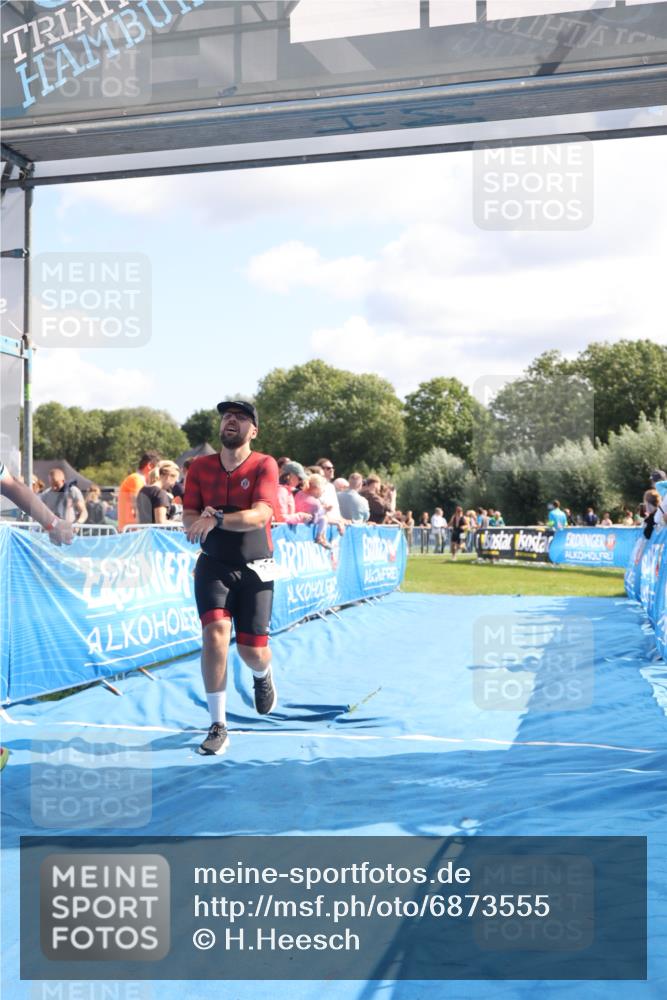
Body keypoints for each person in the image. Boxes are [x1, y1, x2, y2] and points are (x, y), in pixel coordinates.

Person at [183, 401, 279, 756]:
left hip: (256, 565)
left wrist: (218, 518)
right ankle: (218, 724)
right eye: (226, 416)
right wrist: (199, 521)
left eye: (240, 417)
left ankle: (262, 674)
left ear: (253, 430)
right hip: (214, 564)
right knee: (215, 634)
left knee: (251, 650)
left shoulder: (264, 464)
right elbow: (190, 516)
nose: (231, 421)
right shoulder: (199, 467)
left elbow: (261, 515)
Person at [0, 460, 74, 545]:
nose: (54, 487)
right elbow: (10, 485)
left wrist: (53, 523)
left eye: (56, 484)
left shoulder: (73, 491)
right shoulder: (47, 493)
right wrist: (53, 523)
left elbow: (10, 485)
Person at [118, 451, 161, 531]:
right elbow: (137, 505)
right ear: (150, 466)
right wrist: (139, 528)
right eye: (157, 469)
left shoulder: (138, 479)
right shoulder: (136, 479)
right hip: (131, 529)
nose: (158, 473)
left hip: (131, 528)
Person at [294, 473, 331, 547]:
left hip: (295, 520)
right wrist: (324, 510)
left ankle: (322, 537)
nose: (323, 492)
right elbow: (314, 519)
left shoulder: (299, 493)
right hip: (303, 524)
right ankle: (319, 537)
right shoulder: (314, 502)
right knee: (324, 518)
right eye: (323, 490)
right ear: (316, 489)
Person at [315, 457, 342, 522]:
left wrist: (342, 519)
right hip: (324, 523)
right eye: (328, 468)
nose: (332, 470)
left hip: (336, 524)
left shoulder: (331, 487)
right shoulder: (316, 487)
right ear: (320, 469)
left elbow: (335, 508)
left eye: (333, 468)